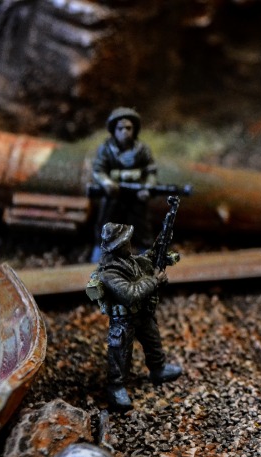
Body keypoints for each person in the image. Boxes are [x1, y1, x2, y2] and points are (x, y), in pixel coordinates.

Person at [86, 222, 182, 411]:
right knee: (120, 353)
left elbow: (148, 259)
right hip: (123, 320)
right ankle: (116, 387)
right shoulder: (109, 273)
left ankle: (158, 369)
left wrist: (162, 240)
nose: (130, 244)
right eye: (126, 242)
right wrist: (154, 281)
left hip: (142, 314)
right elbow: (131, 294)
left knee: (153, 341)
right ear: (118, 246)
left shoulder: (130, 261)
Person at [90, 107, 157, 259]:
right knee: (106, 223)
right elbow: (98, 170)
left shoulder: (142, 149)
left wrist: (147, 188)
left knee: (142, 225)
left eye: (128, 128)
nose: (124, 132)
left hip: (136, 194)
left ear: (135, 129)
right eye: (120, 128)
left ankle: (147, 255)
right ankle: (99, 253)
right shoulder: (106, 149)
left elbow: (151, 171)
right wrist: (107, 183)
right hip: (114, 193)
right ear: (114, 130)